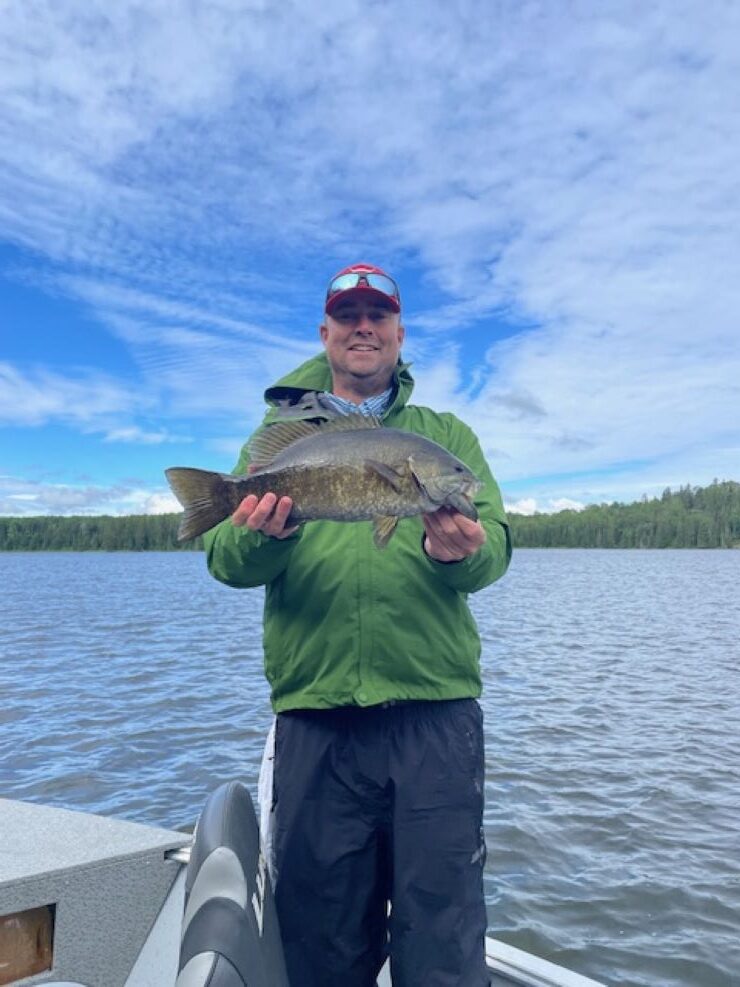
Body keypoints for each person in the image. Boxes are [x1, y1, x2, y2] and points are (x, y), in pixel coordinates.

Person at [203, 263, 511, 987]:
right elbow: (224, 559)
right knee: (320, 937)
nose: (364, 326)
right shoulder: (276, 439)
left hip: (435, 718)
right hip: (317, 722)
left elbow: (493, 542)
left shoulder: (443, 435)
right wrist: (260, 532)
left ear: (401, 333)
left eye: (379, 314)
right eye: (349, 315)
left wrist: (456, 550)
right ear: (326, 333)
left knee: (443, 932)